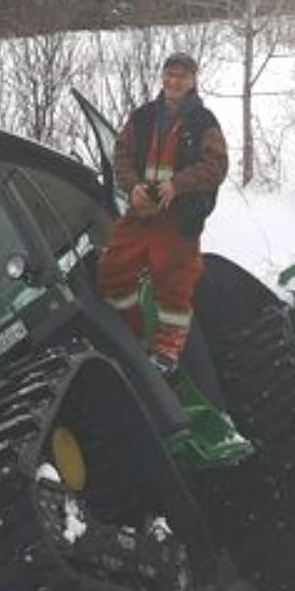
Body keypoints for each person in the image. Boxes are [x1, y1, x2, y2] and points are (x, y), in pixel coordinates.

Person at [96, 52, 229, 376]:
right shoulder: (142, 116)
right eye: (169, 74)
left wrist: (178, 185)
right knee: (113, 270)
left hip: (179, 218)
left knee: (174, 283)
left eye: (182, 76)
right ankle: (129, 332)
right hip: (142, 213)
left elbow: (216, 165)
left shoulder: (204, 121)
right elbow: (122, 155)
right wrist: (133, 188)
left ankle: (167, 350)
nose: (174, 81)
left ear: (193, 81)